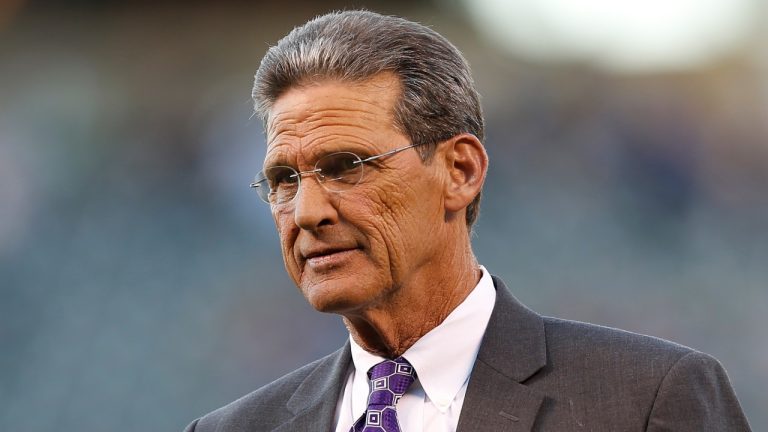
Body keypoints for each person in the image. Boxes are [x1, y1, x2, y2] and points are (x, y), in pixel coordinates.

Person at [184, 10, 751, 432]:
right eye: (284, 179)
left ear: (460, 171)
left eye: (347, 167)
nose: (308, 212)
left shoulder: (644, 399)